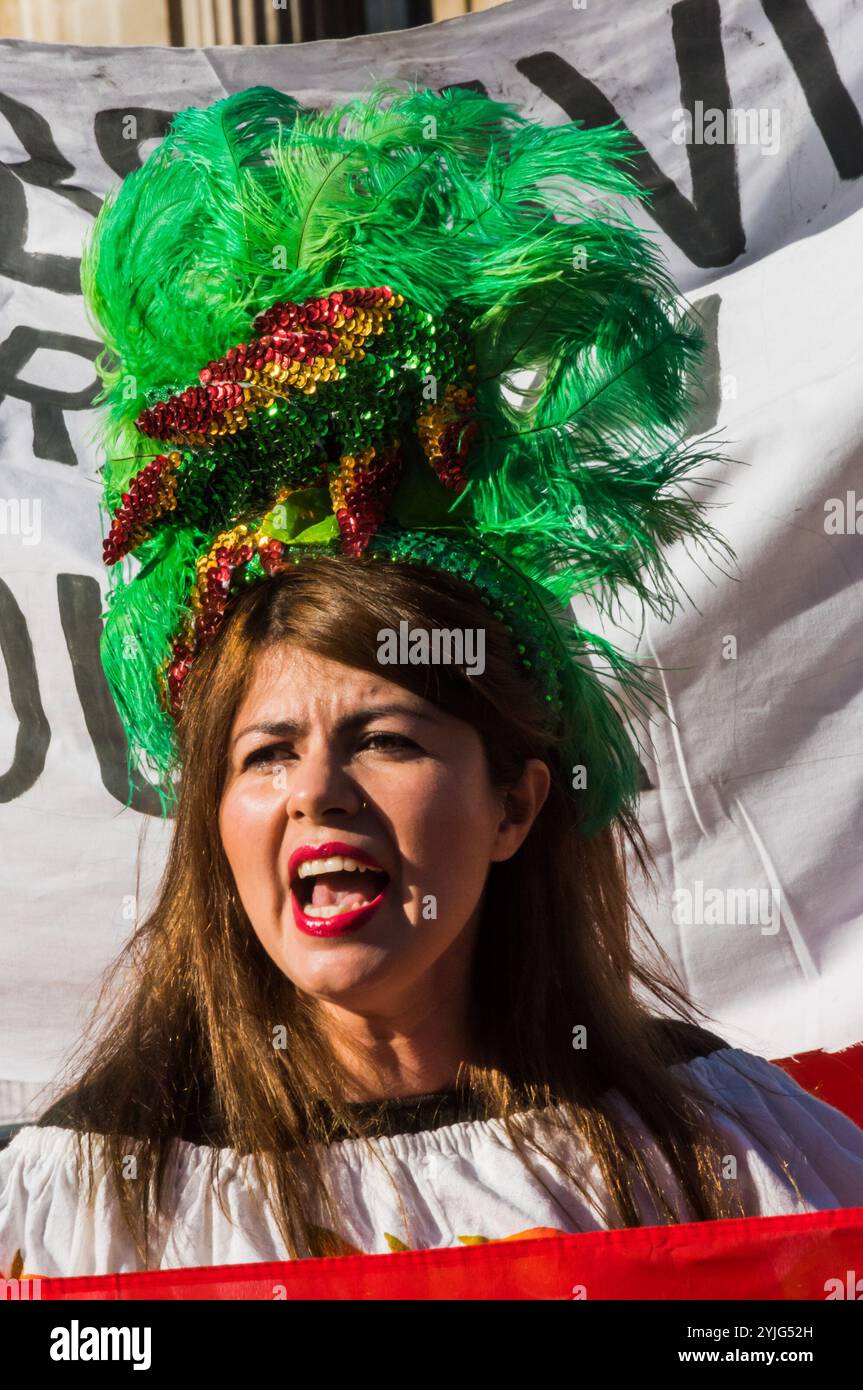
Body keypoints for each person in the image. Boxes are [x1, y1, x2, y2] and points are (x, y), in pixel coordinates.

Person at [2, 82, 862, 1280]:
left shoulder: (719, 1152)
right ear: (211, 813)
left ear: (514, 802)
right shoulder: (83, 1204)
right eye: (263, 754)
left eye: (387, 739)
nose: (319, 794)